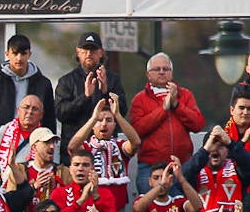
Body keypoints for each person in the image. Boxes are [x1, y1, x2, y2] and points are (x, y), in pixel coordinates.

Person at [128, 53, 206, 194]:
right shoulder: (140, 99)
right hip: (150, 167)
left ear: (172, 72)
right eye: (157, 69)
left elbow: (198, 124)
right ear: (148, 74)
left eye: (166, 69)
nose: (162, 72)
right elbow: (137, 130)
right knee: (151, 210)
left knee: (185, 210)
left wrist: (176, 104)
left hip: (182, 166)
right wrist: (163, 110)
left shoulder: (185, 95)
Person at [0, 32, 58, 143]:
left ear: (29, 54)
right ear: (7, 54)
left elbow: (49, 119)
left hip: (34, 142)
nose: (19, 58)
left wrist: (49, 144)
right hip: (3, 142)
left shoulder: (43, 83)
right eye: (15, 53)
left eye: (23, 54)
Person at [55, 31, 128, 147]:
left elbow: (122, 112)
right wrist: (85, 97)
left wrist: (105, 92)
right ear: (78, 52)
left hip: (106, 148)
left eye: (93, 50)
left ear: (101, 53)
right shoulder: (67, 81)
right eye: (84, 50)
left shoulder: (113, 79)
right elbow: (61, 114)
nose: (89, 54)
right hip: (76, 150)